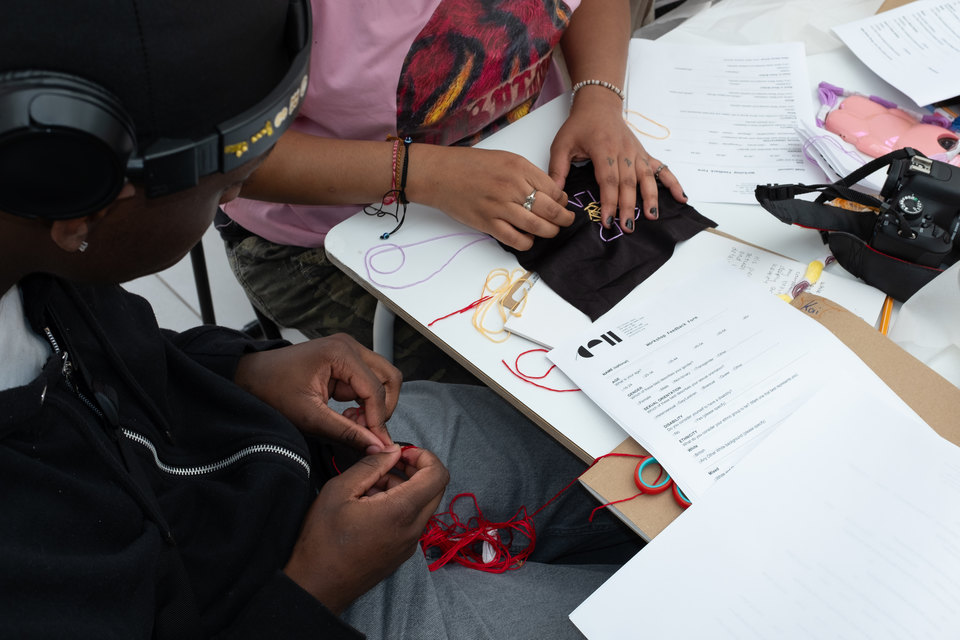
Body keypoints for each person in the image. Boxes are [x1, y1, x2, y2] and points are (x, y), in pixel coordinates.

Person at [1, 1, 642, 638]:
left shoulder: (37, 264)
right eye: (222, 186)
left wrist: (241, 367)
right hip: (309, 601)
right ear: (80, 213)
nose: (234, 195)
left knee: (638, 470)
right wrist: (317, 584)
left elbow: (107, 369)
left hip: (290, 455)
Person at [218, 0, 687, 384]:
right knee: (553, 390)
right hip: (328, 235)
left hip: (536, 156)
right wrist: (424, 174)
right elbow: (224, 158)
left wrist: (599, 97)